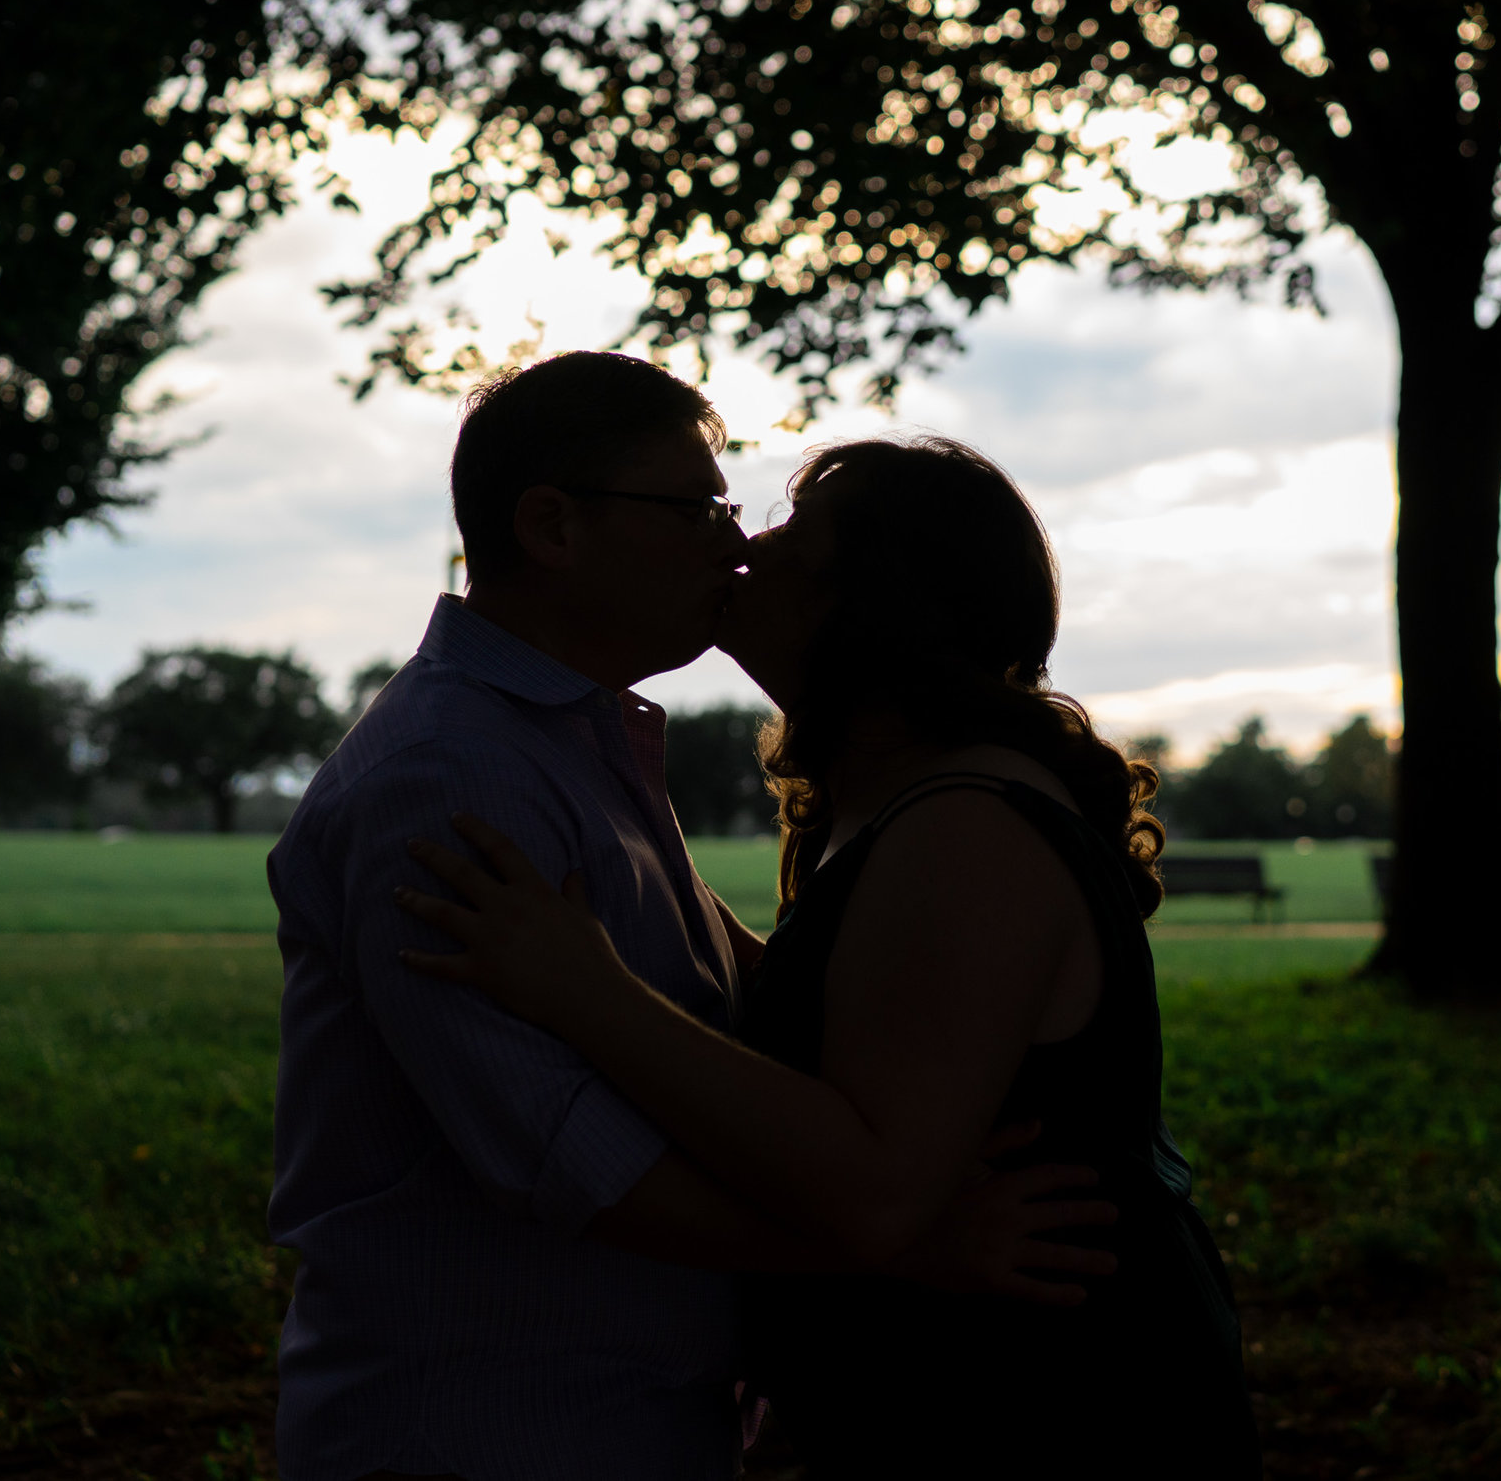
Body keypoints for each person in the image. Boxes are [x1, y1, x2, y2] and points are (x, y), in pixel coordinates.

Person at [268, 359, 1107, 1481]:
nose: (732, 546)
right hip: (489, 1425)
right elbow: (574, 1158)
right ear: (553, 527)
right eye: (697, 509)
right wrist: (896, 1248)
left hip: (613, 1415)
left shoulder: (581, 741)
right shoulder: (447, 782)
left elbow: (737, 1001)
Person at [395, 436, 1263, 1479]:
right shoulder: (901, 802)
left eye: (792, 546)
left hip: (1051, 1406)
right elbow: (853, 1013)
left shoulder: (965, 828)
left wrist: (591, 994)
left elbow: (876, 1189)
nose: (744, 548)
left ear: (877, 611)